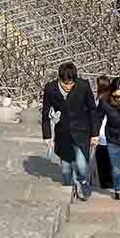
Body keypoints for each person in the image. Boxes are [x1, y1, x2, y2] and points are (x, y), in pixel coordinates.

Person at [41, 61, 98, 200]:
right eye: (65, 83)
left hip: (81, 131)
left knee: (81, 165)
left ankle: (84, 182)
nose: (68, 86)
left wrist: (95, 134)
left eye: (71, 83)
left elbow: (92, 109)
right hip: (63, 133)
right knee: (66, 169)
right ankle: (68, 193)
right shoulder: (50, 88)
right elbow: (45, 112)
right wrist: (47, 136)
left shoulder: (83, 86)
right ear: (59, 79)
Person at [93, 75, 113, 189]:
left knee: (102, 160)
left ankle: (105, 183)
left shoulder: (102, 99)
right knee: (107, 160)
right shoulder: (108, 98)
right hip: (105, 133)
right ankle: (108, 183)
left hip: (102, 133)